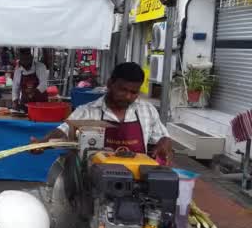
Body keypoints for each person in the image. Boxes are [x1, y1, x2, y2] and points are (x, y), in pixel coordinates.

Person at [32, 62, 173, 163]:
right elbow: (63, 131)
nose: (128, 96)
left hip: (136, 180)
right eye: (123, 90)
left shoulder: (147, 110)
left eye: (134, 92)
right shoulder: (88, 111)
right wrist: (43, 143)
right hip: (96, 182)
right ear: (110, 84)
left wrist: (163, 144)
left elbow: (163, 137)